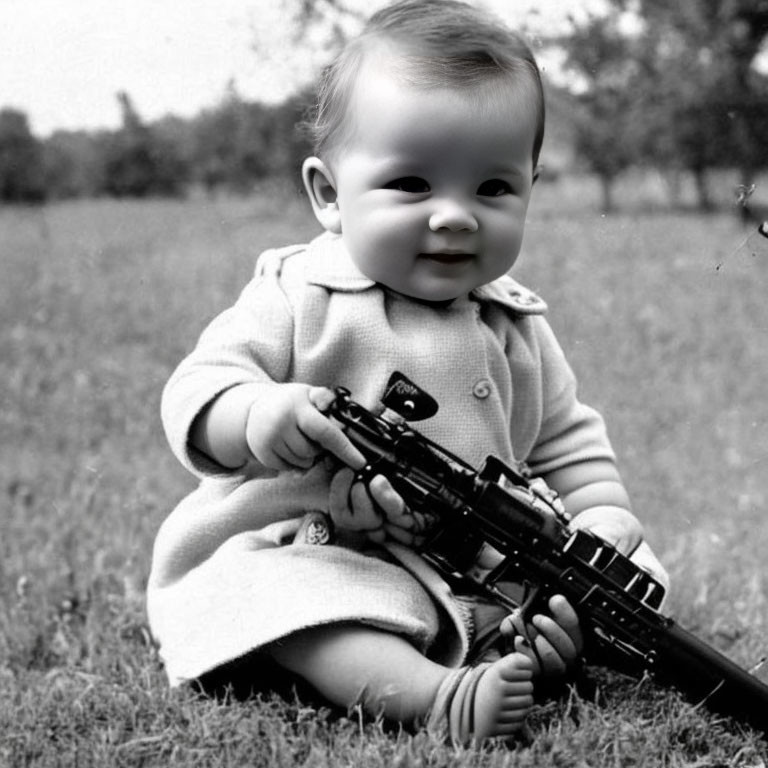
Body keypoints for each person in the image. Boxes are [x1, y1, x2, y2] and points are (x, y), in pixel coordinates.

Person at [147, 0, 668, 744]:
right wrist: (255, 414)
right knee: (298, 606)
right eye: (413, 186)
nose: (455, 216)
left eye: (492, 189)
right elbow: (198, 389)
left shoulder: (515, 324)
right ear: (329, 194)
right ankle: (436, 698)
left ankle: (532, 651)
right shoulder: (299, 295)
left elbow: (569, 447)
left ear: (530, 186)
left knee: (613, 584)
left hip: (471, 569)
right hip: (322, 549)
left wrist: (601, 521)